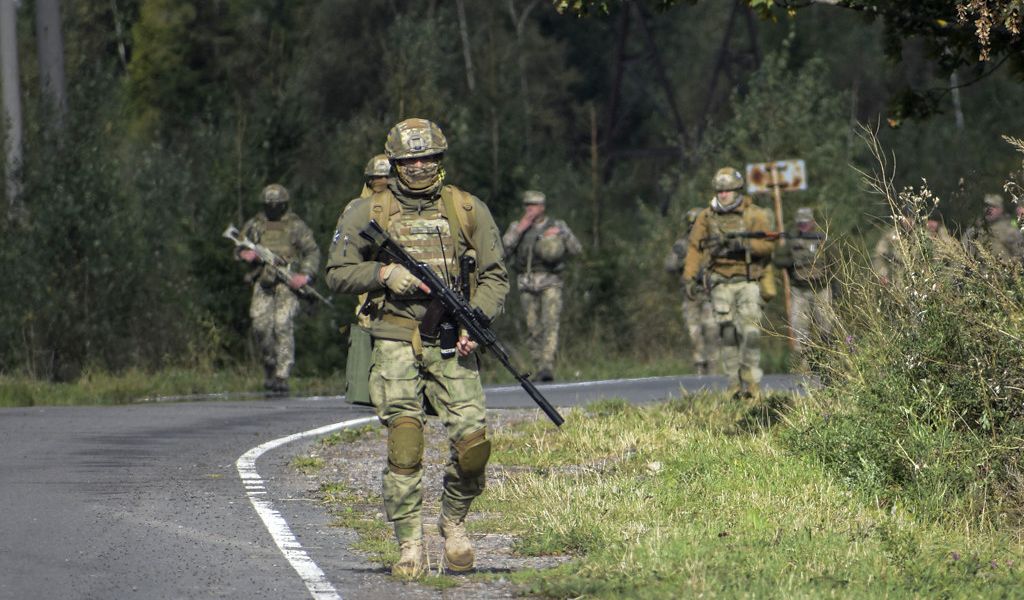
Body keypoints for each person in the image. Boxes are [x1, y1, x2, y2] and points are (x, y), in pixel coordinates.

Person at [325, 118, 509, 578]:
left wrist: (476, 319)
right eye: (410, 160)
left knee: (473, 446)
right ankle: (410, 543)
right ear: (396, 163)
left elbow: (494, 277)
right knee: (405, 444)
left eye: (428, 157)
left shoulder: (467, 208)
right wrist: (382, 275)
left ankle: (453, 523)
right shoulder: (367, 212)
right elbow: (336, 272)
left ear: (441, 159)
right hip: (392, 337)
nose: (420, 166)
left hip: (452, 338)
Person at [683, 167, 776, 400]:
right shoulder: (706, 217)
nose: (724, 195)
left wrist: (745, 247)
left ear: (737, 191)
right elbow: (695, 247)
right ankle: (734, 384)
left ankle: (752, 382)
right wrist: (690, 277)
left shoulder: (753, 215)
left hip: (747, 280)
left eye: (729, 191)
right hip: (720, 281)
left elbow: (768, 245)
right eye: (720, 191)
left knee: (751, 332)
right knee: (727, 333)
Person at [236, 184, 321, 393]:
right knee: (260, 325)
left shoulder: (295, 226)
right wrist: (247, 255)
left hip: (287, 284)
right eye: (269, 205)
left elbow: (311, 251)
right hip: (264, 281)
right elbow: (239, 247)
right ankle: (269, 363)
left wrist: (305, 275)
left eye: (277, 205)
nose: (273, 209)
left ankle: (282, 374)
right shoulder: (255, 225)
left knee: (282, 324)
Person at [502, 190, 583, 381]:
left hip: (550, 282)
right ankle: (539, 364)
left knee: (551, 324)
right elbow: (502, 251)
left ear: (543, 207)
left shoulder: (557, 225)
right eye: (527, 205)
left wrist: (561, 235)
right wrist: (519, 229)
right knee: (532, 327)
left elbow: (576, 249)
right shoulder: (517, 227)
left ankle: (547, 367)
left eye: (534, 205)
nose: (530, 209)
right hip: (526, 283)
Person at [343, 154, 392, 407]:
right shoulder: (358, 207)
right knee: (368, 323)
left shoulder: (400, 206)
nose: (382, 182)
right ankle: (370, 388)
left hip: (393, 273)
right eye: (377, 178)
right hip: (368, 273)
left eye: (386, 177)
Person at [772, 207, 834, 369]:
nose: (803, 227)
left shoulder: (821, 239)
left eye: (806, 224)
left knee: (826, 327)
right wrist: (792, 260)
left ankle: (827, 362)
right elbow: (778, 260)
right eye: (800, 224)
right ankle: (804, 365)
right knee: (800, 327)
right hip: (799, 290)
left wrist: (836, 287)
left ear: (812, 223)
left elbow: (834, 263)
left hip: (821, 289)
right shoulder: (790, 240)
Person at [665, 207, 719, 374]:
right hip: (690, 295)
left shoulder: (713, 244)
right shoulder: (682, 245)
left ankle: (714, 366)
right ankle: (699, 365)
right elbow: (669, 265)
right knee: (693, 331)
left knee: (712, 329)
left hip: (710, 294)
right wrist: (684, 261)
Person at [962, 194, 1024, 268]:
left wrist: (1008, 265)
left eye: (993, 207)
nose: (989, 209)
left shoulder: (1009, 230)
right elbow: (962, 255)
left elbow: (1020, 255)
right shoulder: (974, 229)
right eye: (986, 206)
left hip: (1003, 275)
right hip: (978, 275)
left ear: (1001, 209)